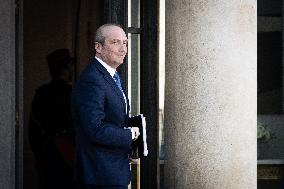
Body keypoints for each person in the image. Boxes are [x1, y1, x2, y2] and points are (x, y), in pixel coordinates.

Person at [71, 24, 140, 189]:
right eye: (116, 42)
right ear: (98, 47)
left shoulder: (112, 75)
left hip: (113, 169)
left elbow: (114, 119)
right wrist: (128, 135)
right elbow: (94, 129)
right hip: (100, 174)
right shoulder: (92, 79)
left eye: (125, 43)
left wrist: (127, 147)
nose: (123, 49)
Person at [28, 48, 75, 189]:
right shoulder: (72, 95)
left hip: (45, 159)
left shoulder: (40, 94)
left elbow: (32, 131)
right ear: (66, 68)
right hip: (68, 158)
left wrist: (41, 154)